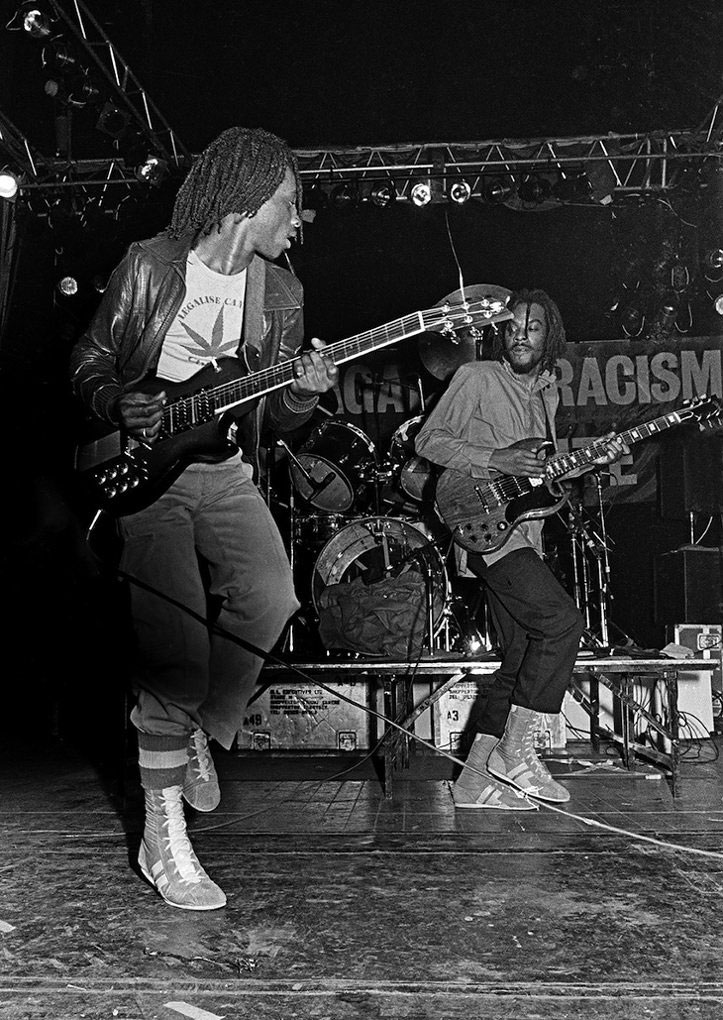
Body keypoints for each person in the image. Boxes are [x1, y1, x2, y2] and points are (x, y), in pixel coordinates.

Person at [69, 126, 338, 909]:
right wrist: (117, 398)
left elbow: (277, 421)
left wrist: (304, 393)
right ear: (245, 200)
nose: (298, 220)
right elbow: (87, 358)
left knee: (270, 595)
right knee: (175, 643)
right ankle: (164, 839)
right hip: (142, 477)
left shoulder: (280, 295)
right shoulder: (151, 266)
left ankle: (193, 725)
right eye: (288, 204)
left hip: (222, 472)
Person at [415, 288, 627, 810]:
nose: (519, 335)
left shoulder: (546, 395)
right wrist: (496, 458)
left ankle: (469, 783)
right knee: (562, 624)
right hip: (484, 531)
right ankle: (515, 752)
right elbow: (428, 442)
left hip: (522, 532)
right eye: (511, 326)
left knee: (517, 659)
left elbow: (538, 475)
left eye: (531, 327)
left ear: (548, 335)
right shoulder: (476, 378)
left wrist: (587, 461)